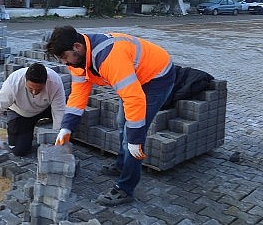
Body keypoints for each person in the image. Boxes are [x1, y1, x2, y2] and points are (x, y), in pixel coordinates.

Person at [46, 25, 175, 206]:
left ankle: (125, 188)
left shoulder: (109, 57)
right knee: (121, 121)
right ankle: (122, 165)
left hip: (157, 76)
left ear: (77, 47)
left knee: (133, 135)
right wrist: (66, 127)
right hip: (135, 75)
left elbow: (134, 98)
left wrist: (135, 139)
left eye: (65, 57)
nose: (65, 63)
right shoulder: (77, 61)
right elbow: (78, 95)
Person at [0, 63, 66, 157]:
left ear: (45, 82)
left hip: (46, 108)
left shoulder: (55, 82)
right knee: (19, 150)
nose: (34, 92)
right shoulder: (13, 83)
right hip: (21, 112)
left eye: (39, 89)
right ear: (25, 80)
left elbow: (59, 111)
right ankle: (25, 129)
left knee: (68, 119)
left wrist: (57, 136)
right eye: (31, 88)